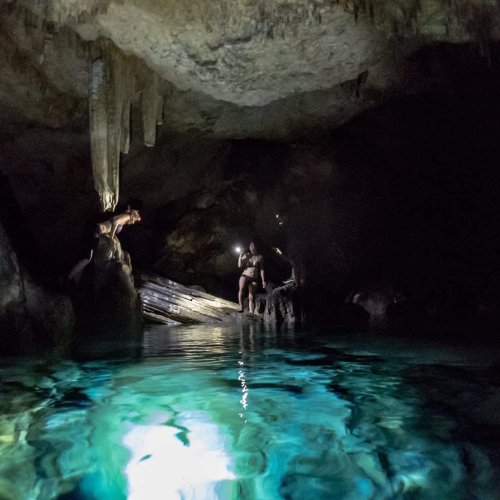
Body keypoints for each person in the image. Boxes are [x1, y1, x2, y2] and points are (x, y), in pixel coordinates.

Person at [67, 207, 141, 284]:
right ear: (133, 216)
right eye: (134, 221)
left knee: (85, 259)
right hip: (96, 230)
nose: (133, 223)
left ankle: (74, 283)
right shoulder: (127, 216)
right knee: (88, 258)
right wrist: (111, 238)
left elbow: (110, 226)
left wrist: (114, 237)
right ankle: (67, 279)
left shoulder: (124, 220)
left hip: (96, 231)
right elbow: (115, 222)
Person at [238, 241, 266, 313]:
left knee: (251, 297)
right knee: (241, 289)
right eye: (250, 246)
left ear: (256, 247)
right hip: (245, 275)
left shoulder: (260, 257)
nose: (251, 247)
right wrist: (240, 256)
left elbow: (262, 270)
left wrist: (263, 281)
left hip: (254, 278)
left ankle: (251, 312)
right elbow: (240, 265)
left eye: (253, 246)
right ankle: (241, 307)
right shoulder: (247, 255)